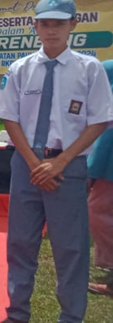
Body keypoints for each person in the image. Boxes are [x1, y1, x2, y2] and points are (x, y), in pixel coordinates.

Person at [0, 0, 113, 323]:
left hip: (67, 165)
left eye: (59, 23)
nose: (52, 30)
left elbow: (99, 120)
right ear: (35, 26)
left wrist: (59, 163)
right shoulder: (21, 69)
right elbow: (10, 119)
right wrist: (34, 163)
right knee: (20, 243)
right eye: (45, 23)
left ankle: (71, 317)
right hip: (27, 164)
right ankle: (17, 314)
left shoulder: (89, 69)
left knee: (70, 248)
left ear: (73, 24)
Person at [88, 60, 113, 298]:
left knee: (98, 212)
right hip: (107, 158)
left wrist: (92, 168)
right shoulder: (105, 70)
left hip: (107, 160)